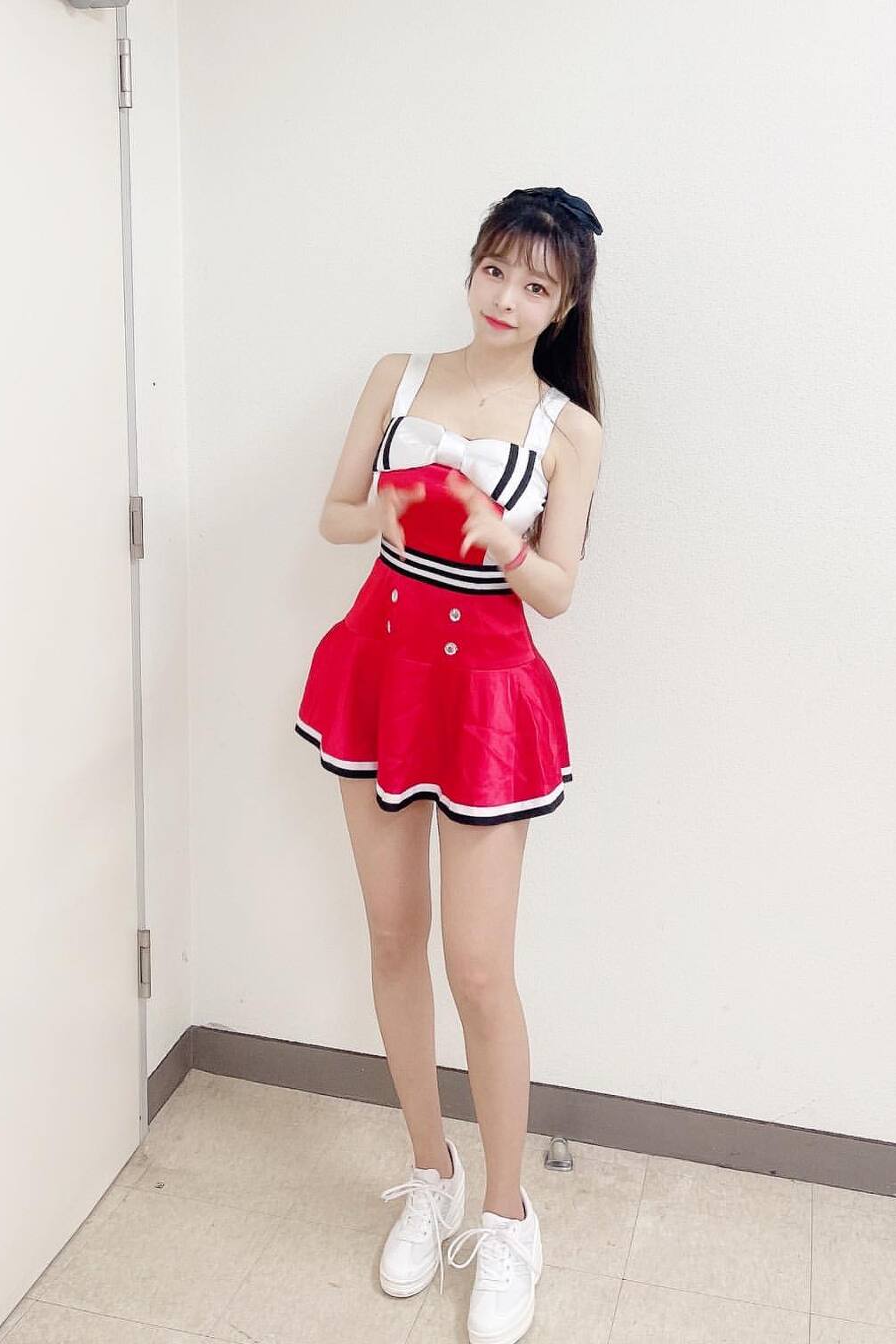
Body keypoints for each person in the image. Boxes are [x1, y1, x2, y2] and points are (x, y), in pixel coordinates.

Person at [294, 186, 604, 1344]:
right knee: (390, 937)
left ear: (562, 305)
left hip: (484, 699)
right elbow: (332, 517)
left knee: (478, 970)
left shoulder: (568, 429)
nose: (505, 298)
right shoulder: (399, 377)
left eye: (533, 284)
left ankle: (508, 1218)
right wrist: (386, 507)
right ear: (470, 269)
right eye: (493, 271)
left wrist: (501, 539)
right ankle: (429, 1174)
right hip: (379, 666)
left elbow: (557, 592)